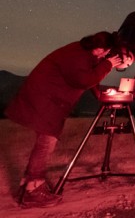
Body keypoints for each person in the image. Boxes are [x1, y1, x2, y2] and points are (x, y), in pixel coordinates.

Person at [5, 30, 125, 208]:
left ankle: (28, 185)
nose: (107, 55)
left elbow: (89, 73)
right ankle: (33, 191)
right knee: (46, 142)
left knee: (45, 141)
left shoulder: (80, 51)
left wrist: (103, 64)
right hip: (45, 100)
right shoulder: (78, 57)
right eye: (106, 52)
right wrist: (107, 64)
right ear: (99, 48)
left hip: (46, 98)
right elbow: (84, 80)